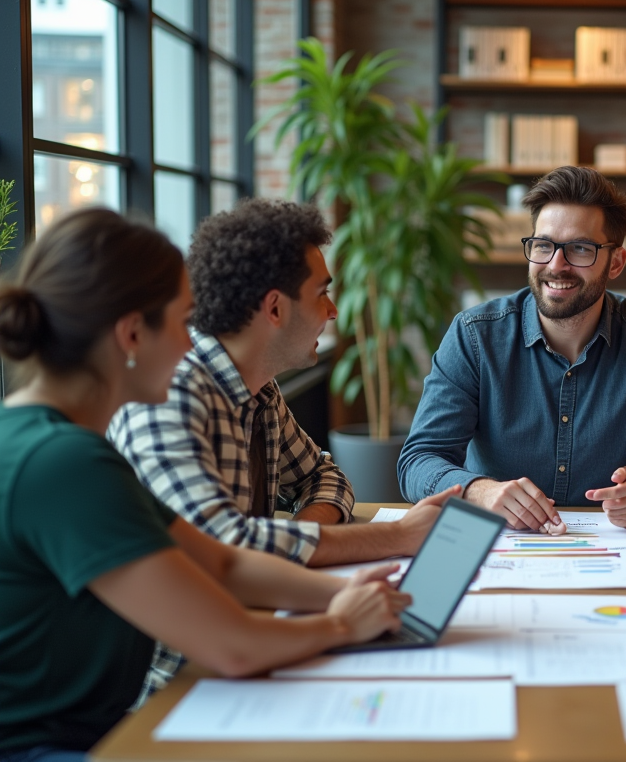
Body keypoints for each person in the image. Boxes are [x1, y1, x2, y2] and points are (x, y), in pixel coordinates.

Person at [0, 210, 408, 762]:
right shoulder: (64, 463)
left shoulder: (67, 447)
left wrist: (351, 593)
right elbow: (233, 646)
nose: (193, 339)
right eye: (183, 320)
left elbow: (220, 562)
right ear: (131, 335)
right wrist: (341, 623)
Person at [108, 198, 456, 700]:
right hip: (178, 684)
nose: (334, 312)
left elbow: (326, 478)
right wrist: (395, 537)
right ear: (274, 308)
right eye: (322, 294)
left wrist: (292, 540)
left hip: (260, 637)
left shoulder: (258, 388)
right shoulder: (171, 396)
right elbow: (223, 548)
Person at [397, 165, 626, 530]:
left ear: (616, 263)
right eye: (543, 246)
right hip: (495, 544)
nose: (555, 266)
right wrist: (479, 491)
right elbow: (419, 460)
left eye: (580, 249)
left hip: (608, 551)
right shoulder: (475, 336)